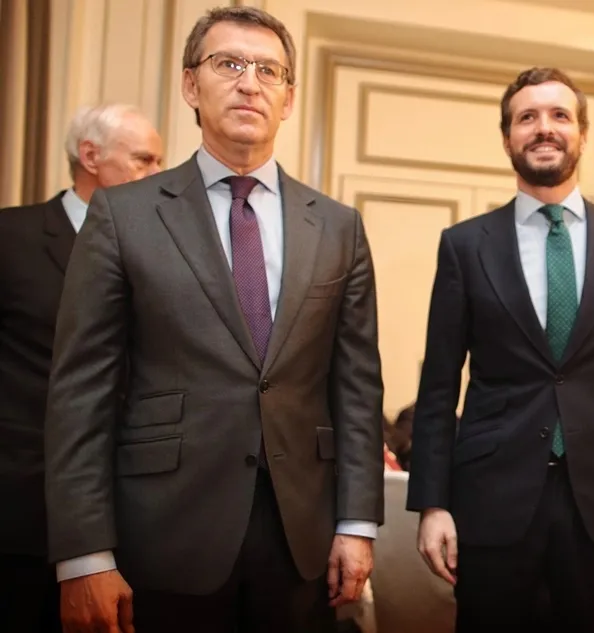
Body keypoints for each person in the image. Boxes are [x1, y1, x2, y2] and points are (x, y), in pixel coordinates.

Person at [43, 6, 383, 633]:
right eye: (229, 64)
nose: (250, 82)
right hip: (165, 530)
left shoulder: (339, 226)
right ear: (190, 85)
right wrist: (84, 555)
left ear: (287, 98)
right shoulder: (124, 215)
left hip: (301, 538)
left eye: (268, 71)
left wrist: (358, 523)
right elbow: (81, 392)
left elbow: (357, 387)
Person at [407, 66, 594, 632]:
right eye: (527, 117)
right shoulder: (464, 245)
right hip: (490, 501)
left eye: (560, 115)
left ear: (582, 133)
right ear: (507, 137)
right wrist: (432, 503)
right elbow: (438, 386)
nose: (544, 128)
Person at [0, 103, 162, 633]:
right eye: (144, 160)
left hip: (135, 515)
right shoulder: (11, 237)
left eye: (160, 162)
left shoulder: (162, 252)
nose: (157, 175)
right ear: (90, 157)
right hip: (22, 513)